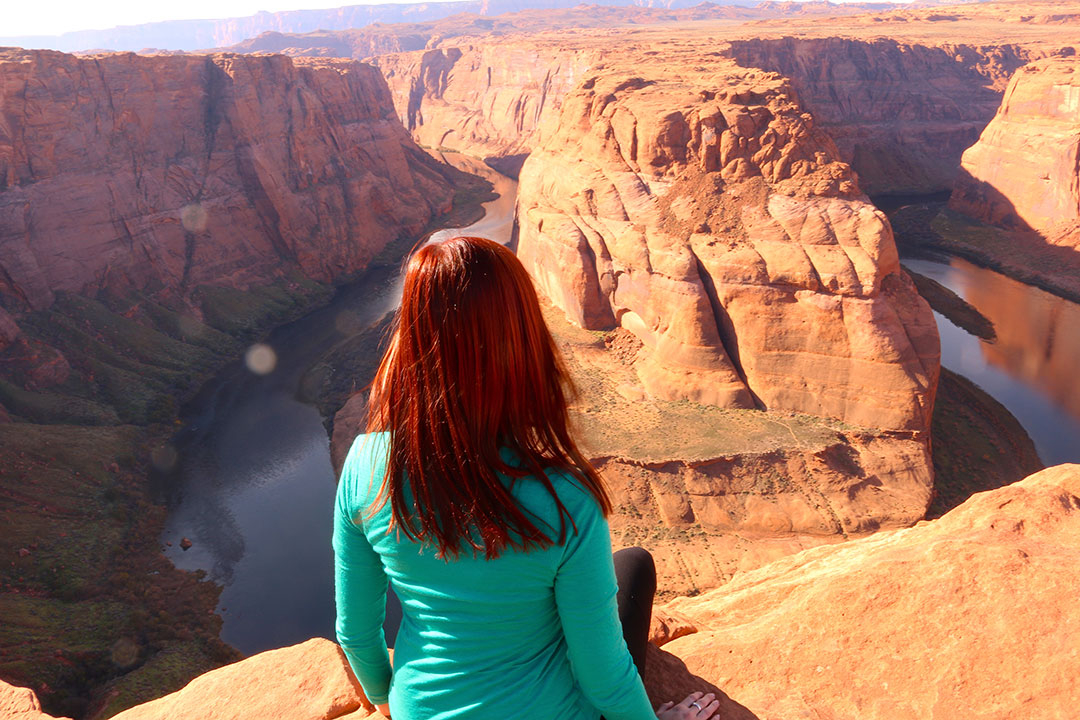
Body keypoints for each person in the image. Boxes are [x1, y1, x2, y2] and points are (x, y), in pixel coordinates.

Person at [333, 236, 721, 720]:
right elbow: (601, 671)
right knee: (634, 568)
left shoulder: (366, 464)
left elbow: (356, 632)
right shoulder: (564, 497)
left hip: (419, 709)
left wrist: (387, 702)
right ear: (520, 342)